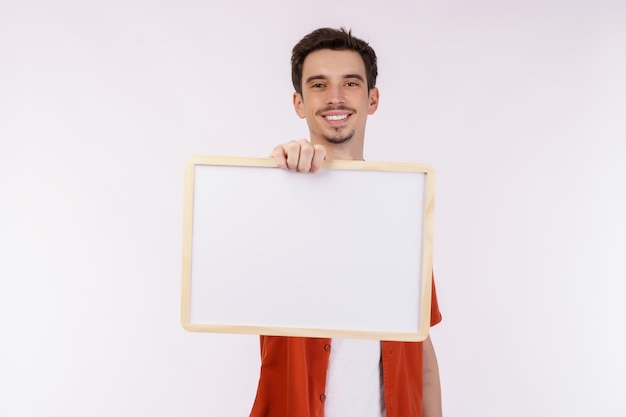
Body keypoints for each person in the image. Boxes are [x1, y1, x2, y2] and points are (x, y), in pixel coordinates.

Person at [249, 27, 442, 417]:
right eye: (318, 84)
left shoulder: (400, 208)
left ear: (372, 99)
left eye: (350, 83)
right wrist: (277, 175)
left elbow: (421, 354)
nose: (335, 97)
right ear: (299, 103)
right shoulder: (272, 201)